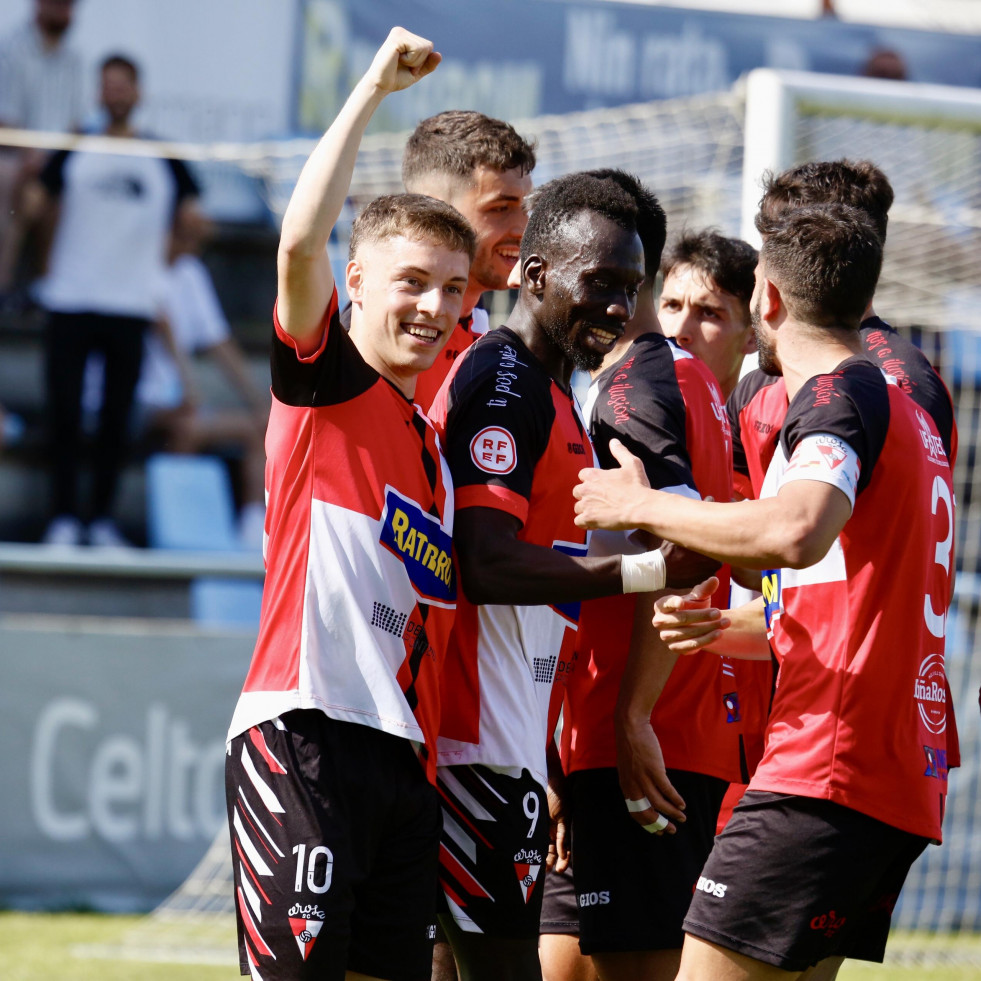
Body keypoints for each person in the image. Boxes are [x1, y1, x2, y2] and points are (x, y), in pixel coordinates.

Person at [574, 202, 954, 980]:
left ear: (767, 303)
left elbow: (794, 532)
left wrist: (639, 504)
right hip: (891, 778)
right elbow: (836, 596)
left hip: (826, 767)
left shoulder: (838, 394)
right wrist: (722, 627)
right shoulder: (908, 405)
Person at [224, 28, 473, 981]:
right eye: (411, 281)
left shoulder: (434, 451)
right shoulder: (322, 386)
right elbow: (298, 240)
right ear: (355, 283)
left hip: (400, 764)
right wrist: (372, 86)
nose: (433, 306)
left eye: (450, 289)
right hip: (304, 733)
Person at [429, 172, 708, 981]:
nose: (620, 309)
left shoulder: (553, 395)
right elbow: (482, 559)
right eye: (600, 284)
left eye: (631, 289)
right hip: (469, 745)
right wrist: (643, 568)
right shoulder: (504, 380)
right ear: (537, 274)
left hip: (509, 746)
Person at [560, 177, 737, 981]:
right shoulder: (688, 380)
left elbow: (682, 544)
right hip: (656, 727)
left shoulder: (638, 382)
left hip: (638, 730)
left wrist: (631, 715)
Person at [25, 54, 200, 547]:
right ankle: (61, 518)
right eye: (108, 86)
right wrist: (43, 262)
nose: (115, 94)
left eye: (123, 85)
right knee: (62, 415)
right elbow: (34, 205)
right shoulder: (74, 144)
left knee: (117, 419)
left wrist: (159, 264)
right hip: (70, 298)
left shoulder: (162, 154)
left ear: (138, 92)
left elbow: (195, 219)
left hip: (131, 305)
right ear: (99, 93)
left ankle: (100, 518)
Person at [729, 159, 957, 506]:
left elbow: (815, 535)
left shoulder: (901, 387)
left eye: (771, 255)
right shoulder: (758, 387)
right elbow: (732, 516)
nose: (760, 274)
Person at [402, 110, 536, 411]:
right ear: (433, 208)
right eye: (500, 208)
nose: (524, 228)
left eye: (527, 208)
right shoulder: (369, 342)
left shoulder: (479, 326)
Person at [0, 0, 83, 295]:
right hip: (14, 154)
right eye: (59, 5)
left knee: (60, 187)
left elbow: (76, 126)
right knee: (15, 181)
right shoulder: (11, 49)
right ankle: (5, 285)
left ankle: (52, 288)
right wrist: (34, 158)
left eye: (70, 6)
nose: (66, 12)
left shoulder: (74, 60)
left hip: (52, 161)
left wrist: (51, 163)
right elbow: (5, 122)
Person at [657, 229, 758, 401]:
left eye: (708, 313)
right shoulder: (607, 419)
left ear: (753, 337)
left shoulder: (786, 424)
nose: (678, 332)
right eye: (672, 306)